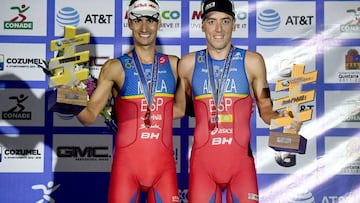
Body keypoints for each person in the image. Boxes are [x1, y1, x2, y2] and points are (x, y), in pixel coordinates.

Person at [174, 0, 302, 202]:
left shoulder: (252, 61)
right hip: (203, 166)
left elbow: (267, 111)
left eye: (225, 21)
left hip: (240, 165)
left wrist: (286, 119)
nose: (218, 29)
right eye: (211, 21)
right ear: (202, 25)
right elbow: (181, 109)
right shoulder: (188, 64)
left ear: (234, 25)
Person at [76, 0, 180, 202]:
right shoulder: (114, 67)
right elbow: (88, 117)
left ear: (159, 23)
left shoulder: (174, 65)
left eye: (150, 20)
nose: (144, 27)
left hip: (164, 170)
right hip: (127, 170)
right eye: (137, 20)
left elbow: (184, 109)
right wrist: (67, 98)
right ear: (129, 23)